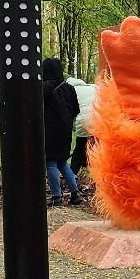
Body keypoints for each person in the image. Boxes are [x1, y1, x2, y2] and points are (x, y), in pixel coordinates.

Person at [40, 57, 82, 206]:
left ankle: (56, 197)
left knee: (50, 162)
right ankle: (75, 193)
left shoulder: (44, 87)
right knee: (63, 162)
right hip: (66, 130)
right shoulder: (69, 88)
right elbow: (76, 109)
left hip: (49, 129)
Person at [67, 69, 95, 175]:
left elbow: (70, 109)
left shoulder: (70, 90)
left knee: (80, 146)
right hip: (99, 119)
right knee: (94, 145)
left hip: (84, 121)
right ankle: (93, 171)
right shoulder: (91, 87)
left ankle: (73, 173)